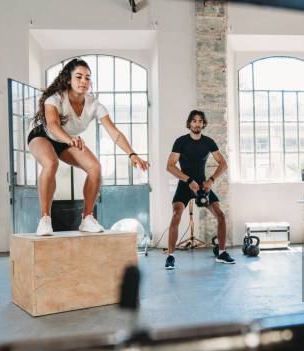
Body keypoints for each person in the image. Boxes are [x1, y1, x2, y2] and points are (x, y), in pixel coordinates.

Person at [28, 58, 149, 236]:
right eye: (79, 77)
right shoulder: (55, 99)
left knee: (95, 168)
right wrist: (69, 139)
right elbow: (53, 125)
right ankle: (45, 219)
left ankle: (87, 218)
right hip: (43, 136)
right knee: (51, 163)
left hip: (68, 141)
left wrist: (132, 154)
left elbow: (114, 132)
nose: (84, 81)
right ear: (68, 79)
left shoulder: (94, 105)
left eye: (87, 77)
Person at [165, 110, 235, 269]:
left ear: (204, 124)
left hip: (203, 186)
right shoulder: (180, 142)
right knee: (176, 214)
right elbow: (170, 166)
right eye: (194, 121)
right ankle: (170, 256)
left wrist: (211, 180)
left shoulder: (209, 142)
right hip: (185, 185)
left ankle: (222, 253)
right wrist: (188, 180)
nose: (197, 124)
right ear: (189, 123)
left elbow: (223, 164)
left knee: (221, 215)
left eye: (200, 121)